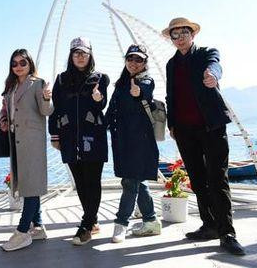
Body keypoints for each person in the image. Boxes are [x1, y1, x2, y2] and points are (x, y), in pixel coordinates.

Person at [163, 17, 245, 256]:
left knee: (218, 179)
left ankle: (227, 233)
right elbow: (170, 96)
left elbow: (215, 65)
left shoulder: (207, 53)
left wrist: (213, 76)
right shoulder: (171, 64)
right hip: (184, 131)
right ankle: (209, 225)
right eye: (175, 35)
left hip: (212, 127)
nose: (179, 38)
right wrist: (171, 124)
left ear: (193, 35)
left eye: (184, 33)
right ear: (171, 38)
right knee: (198, 180)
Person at [48, 37, 109, 246]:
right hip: (69, 138)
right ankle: (93, 221)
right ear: (71, 56)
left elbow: (101, 105)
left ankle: (86, 225)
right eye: (76, 53)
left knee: (93, 181)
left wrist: (99, 99)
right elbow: (55, 109)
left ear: (90, 55)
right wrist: (54, 135)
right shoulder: (61, 79)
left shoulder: (100, 78)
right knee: (81, 183)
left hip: (93, 137)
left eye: (84, 53)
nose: (80, 57)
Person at [0, 49, 53, 252]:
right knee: (29, 183)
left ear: (30, 64)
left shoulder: (37, 83)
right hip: (16, 140)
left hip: (32, 141)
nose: (18, 66)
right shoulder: (11, 86)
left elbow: (46, 111)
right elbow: (6, 109)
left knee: (31, 185)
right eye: (14, 63)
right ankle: (38, 227)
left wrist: (47, 98)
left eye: (23, 62)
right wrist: (4, 119)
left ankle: (22, 232)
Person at [106, 44, 161, 243]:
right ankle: (151, 221)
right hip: (123, 140)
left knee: (130, 182)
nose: (134, 63)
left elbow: (144, 91)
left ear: (145, 63)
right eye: (130, 58)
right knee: (138, 180)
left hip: (140, 141)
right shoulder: (121, 83)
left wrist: (138, 93)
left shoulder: (146, 80)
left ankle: (121, 224)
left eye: (139, 59)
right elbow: (111, 110)